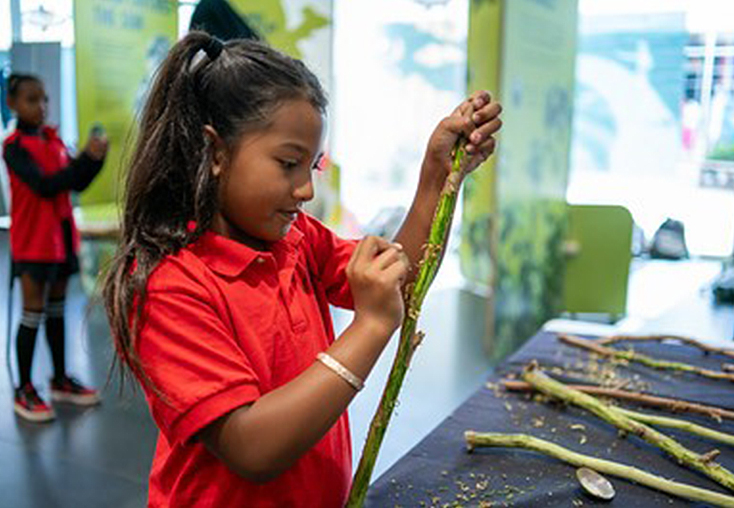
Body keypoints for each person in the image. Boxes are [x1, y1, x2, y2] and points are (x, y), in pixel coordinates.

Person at [102, 32, 501, 507]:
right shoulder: (169, 284)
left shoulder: (295, 239)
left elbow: (398, 277)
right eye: (288, 164)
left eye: (311, 166)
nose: (306, 190)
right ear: (216, 152)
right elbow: (253, 447)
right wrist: (370, 327)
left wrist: (437, 173)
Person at [3, 73, 108, 422]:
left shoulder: (54, 140)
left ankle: (60, 380)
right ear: (12, 104)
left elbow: (74, 182)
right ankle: (24, 389)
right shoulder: (14, 147)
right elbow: (45, 186)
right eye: (32, 99)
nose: (42, 106)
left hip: (61, 239)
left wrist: (93, 160)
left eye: (44, 98)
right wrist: (81, 161)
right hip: (33, 242)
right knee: (33, 313)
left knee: (58, 310)